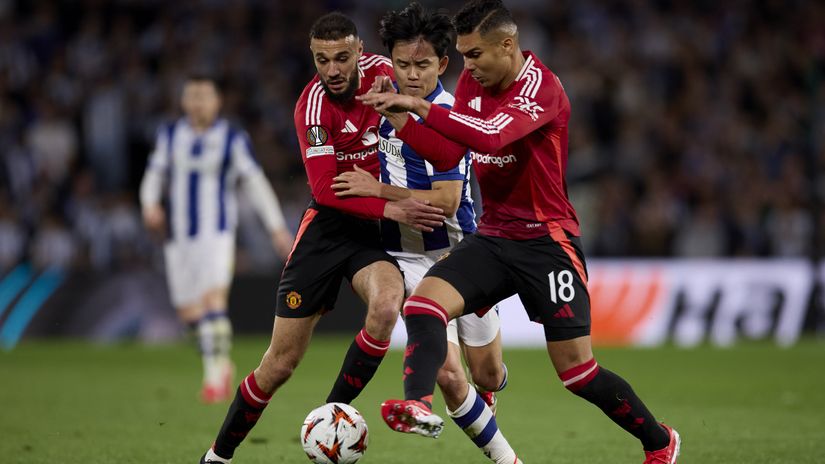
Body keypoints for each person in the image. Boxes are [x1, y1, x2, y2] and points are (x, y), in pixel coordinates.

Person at [359, 1, 681, 463]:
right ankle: (417, 403)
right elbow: (450, 156)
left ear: (507, 45)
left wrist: (419, 105)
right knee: (424, 304)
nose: (466, 67)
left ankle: (659, 441)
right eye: (464, 55)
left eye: (474, 55)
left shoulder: (542, 88)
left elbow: (490, 135)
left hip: (546, 240)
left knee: (578, 372)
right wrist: (400, 119)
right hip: (494, 235)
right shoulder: (473, 82)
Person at [198, 12, 446, 464]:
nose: (332, 70)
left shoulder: (385, 74)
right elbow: (325, 190)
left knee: (388, 304)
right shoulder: (312, 108)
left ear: (358, 53)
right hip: (328, 230)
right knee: (279, 364)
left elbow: (427, 94)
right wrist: (392, 204)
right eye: (322, 60)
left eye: (341, 58)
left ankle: (335, 415)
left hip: (375, 232)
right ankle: (218, 455)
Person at [331, 4, 521, 463]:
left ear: (442, 64)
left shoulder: (449, 114)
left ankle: (488, 392)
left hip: (462, 254)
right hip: (406, 259)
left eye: (421, 65)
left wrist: (375, 189)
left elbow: (446, 201)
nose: (410, 75)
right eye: (402, 64)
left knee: (487, 374)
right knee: (450, 375)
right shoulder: (378, 102)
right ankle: (508, 459)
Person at [139, 74, 294, 404]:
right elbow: (154, 173)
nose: (198, 102)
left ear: (217, 101)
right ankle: (219, 362)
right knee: (189, 316)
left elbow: (255, 182)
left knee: (213, 302)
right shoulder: (170, 135)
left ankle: (214, 378)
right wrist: (149, 204)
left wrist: (276, 227)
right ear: (183, 101)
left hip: (216, 234)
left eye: (204, 96)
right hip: (178, 238)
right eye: (192, 95)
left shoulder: (231, 137)